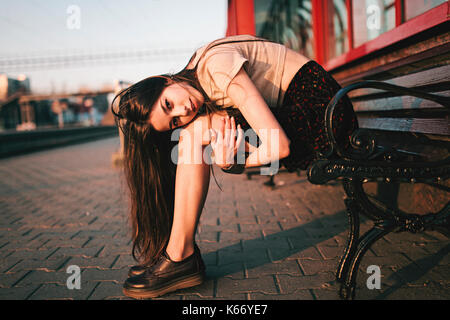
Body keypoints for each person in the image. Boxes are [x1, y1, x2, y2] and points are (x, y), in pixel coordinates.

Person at [111, 34, 357, 299]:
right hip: (309, 112)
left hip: (327, 117)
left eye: (169, 104)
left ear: (164, 81)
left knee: (194, 134)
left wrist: (232, 163)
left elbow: (279, 147)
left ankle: (180, 256)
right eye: (173, 121)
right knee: (193, 133)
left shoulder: (215, 67)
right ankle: (177, 252)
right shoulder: (197, 75)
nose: (182, 112)